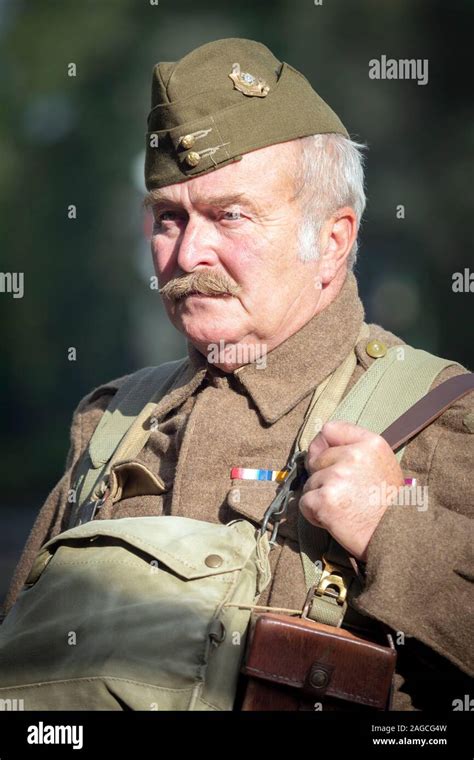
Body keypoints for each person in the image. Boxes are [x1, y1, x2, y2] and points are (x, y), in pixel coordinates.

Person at [2, 38, 473, 710]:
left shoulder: (436, 413)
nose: (189, 252)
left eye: (231, 215)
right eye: (170, 217)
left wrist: (395, 528)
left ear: (332, 240)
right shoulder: (109, 424)